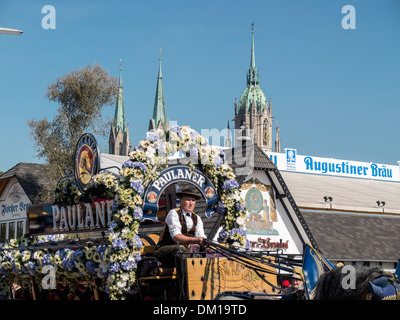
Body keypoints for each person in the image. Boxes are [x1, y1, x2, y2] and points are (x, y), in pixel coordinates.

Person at [154, 189, 207, 268]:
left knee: (206, 252)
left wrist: (205, 243)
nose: (191, 203)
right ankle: (184, 279)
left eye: (193, 200)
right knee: (181, 250)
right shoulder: (173, 213)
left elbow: (201, 235)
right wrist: (196, 240)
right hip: (164, 251)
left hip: (185, 252)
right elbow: (176, 237)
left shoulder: (197, 218)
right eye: (188, 200)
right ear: (180, 201)